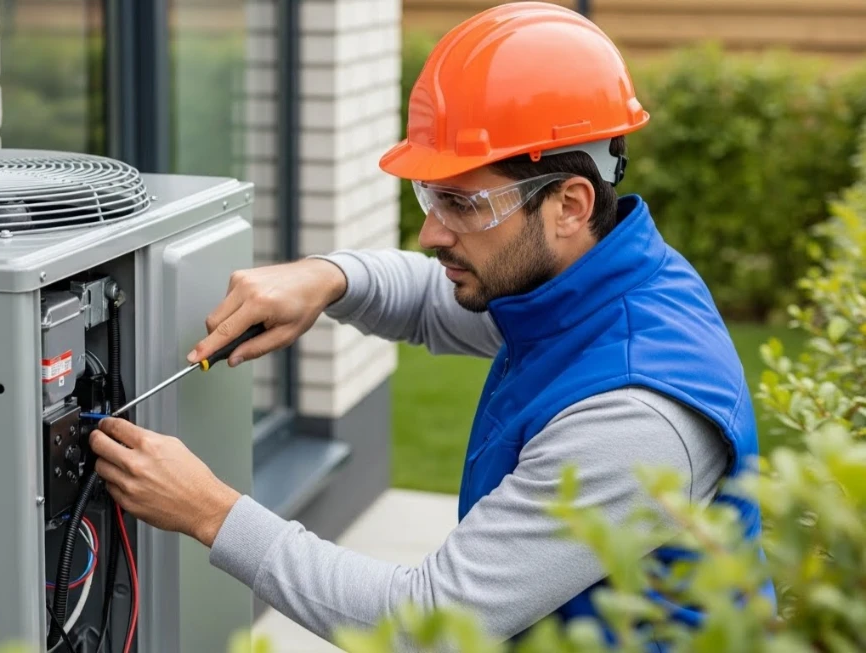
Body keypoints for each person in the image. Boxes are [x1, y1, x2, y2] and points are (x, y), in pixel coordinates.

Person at [87, 2, 770, 647]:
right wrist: (329, 277)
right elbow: (434, 301)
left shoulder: (633, 419)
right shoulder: (596, 283)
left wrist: (210, 510)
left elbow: (427, 624)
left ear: (569, 203)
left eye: (461, 203)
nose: (429, 233)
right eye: (428, 196)